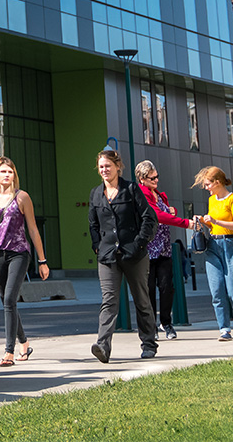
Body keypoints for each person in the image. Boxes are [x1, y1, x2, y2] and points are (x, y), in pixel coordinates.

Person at [0, 156, 51, 367]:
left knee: (9, 300)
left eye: (10, 171)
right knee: (7, 301)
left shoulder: (22, 197)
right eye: (3, 171)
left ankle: (8, 352)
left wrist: (43, 260)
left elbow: (33, 229)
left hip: (19, 253)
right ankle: (24, 342)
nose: (7, 175)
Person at [86, 150, 160, 362]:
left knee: (141, 299)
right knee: (109, 300)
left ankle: (148, 343)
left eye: (108, 166)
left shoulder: (131, 189)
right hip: (108, 255)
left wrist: (139, 243)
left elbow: (149, 218)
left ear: (118, 167)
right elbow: (93, 224)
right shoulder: (96, 194)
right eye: (101, 167)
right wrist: (97, 246)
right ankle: (102, 346)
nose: (104, 170)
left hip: (133, 254)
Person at [133, 160, 194, 339]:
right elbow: (157, 215)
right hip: (148, 249)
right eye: (152, 178)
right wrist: (185, 223)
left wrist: (171, 210)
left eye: (157, 176)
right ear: (142, 179)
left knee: (167, 287)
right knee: (149, 288)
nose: (156, 180)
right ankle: (151, 326)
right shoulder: (141, 195)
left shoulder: (159, 195)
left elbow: (165, 212)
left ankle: (166, 323)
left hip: (164, 248)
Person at [193, 166, 233, 341]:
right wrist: (204, 221)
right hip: (213, 245)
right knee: (217, 291)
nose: (206, 187)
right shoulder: (212, 200)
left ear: (217, 182)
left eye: (208, 184)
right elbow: (213, 225)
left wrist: (216, 220)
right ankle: (224, 329)